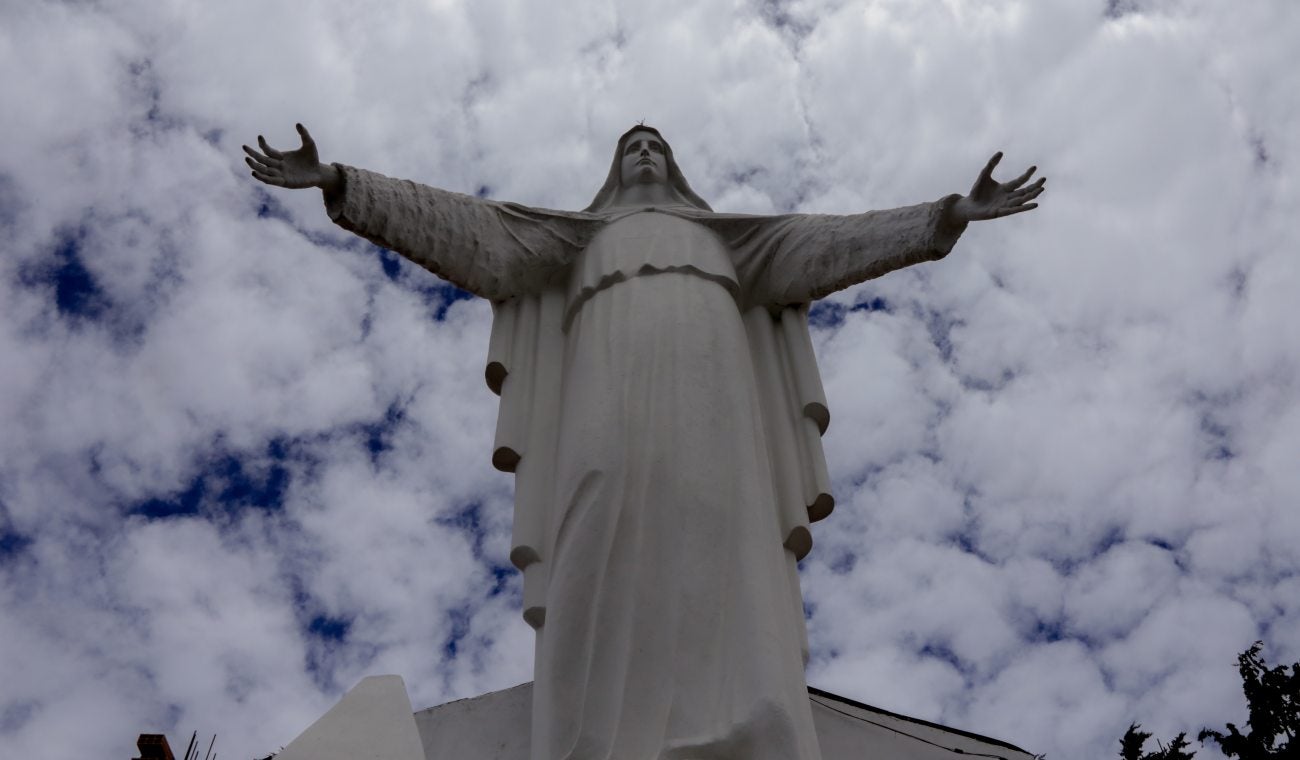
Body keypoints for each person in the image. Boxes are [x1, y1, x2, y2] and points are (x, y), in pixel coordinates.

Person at [244, 123, 1043, 760]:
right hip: (606, 384)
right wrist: (342, 185)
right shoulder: (573, 238)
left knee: (718, 524)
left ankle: (740, 719)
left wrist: (944, 218)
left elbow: (828, 243)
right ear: (613, 171)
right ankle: (596, 734)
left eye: (657, 143)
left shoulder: (736, 242)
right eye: (631, 145)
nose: (646, 151)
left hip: (714, 385)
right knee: (598, 515)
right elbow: (475, 232)